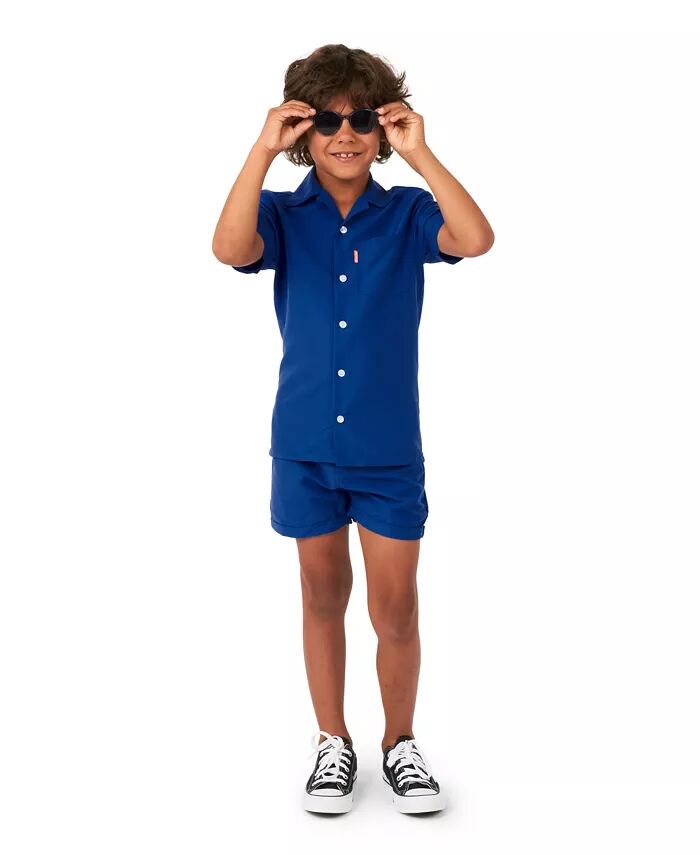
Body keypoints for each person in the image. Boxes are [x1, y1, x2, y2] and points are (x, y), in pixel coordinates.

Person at [212, 44, 494, 815]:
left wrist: (421, 152)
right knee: (320, 593)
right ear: (303, 131)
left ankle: (399, 742)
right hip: (304, 444)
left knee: (395, 607)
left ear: (383, 126)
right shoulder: (282, 212)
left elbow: (475, 238)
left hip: (386, 449)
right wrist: (260, 150)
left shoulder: (407, 213)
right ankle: (331, 740)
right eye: (328, 120)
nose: (346, 134)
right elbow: (230, 249)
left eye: (363, 119)